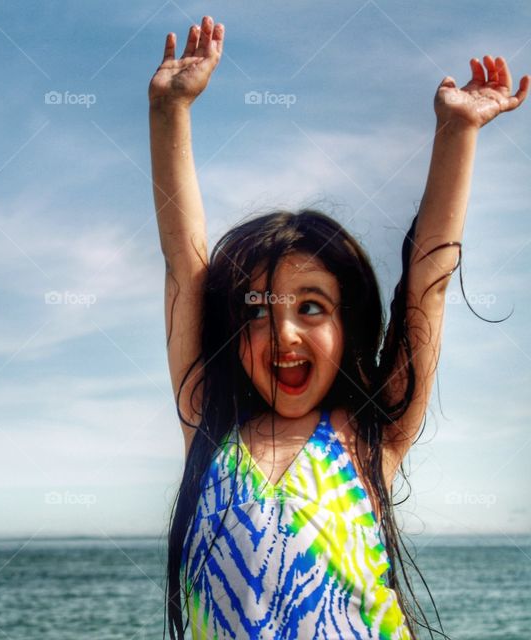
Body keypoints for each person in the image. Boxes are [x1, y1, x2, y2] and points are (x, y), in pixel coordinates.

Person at [148, 15, 528, 640]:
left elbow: (427, 283)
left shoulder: (373, 435)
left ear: (349, 326)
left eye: (312, 307)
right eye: (257, 311)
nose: (286, 334)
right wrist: (170, 112)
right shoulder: (208, 423)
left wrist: (457, 131)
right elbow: (185, 270)